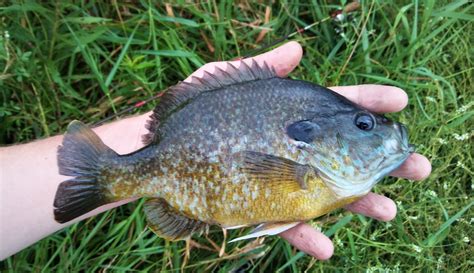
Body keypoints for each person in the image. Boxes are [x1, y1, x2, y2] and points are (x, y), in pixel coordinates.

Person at [0, 41, 431, 261]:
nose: (377, 130)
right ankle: (108, 175)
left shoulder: (320, 166)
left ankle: (111, 174)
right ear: (315, 136)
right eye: (363, 124)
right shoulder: (314, 170)